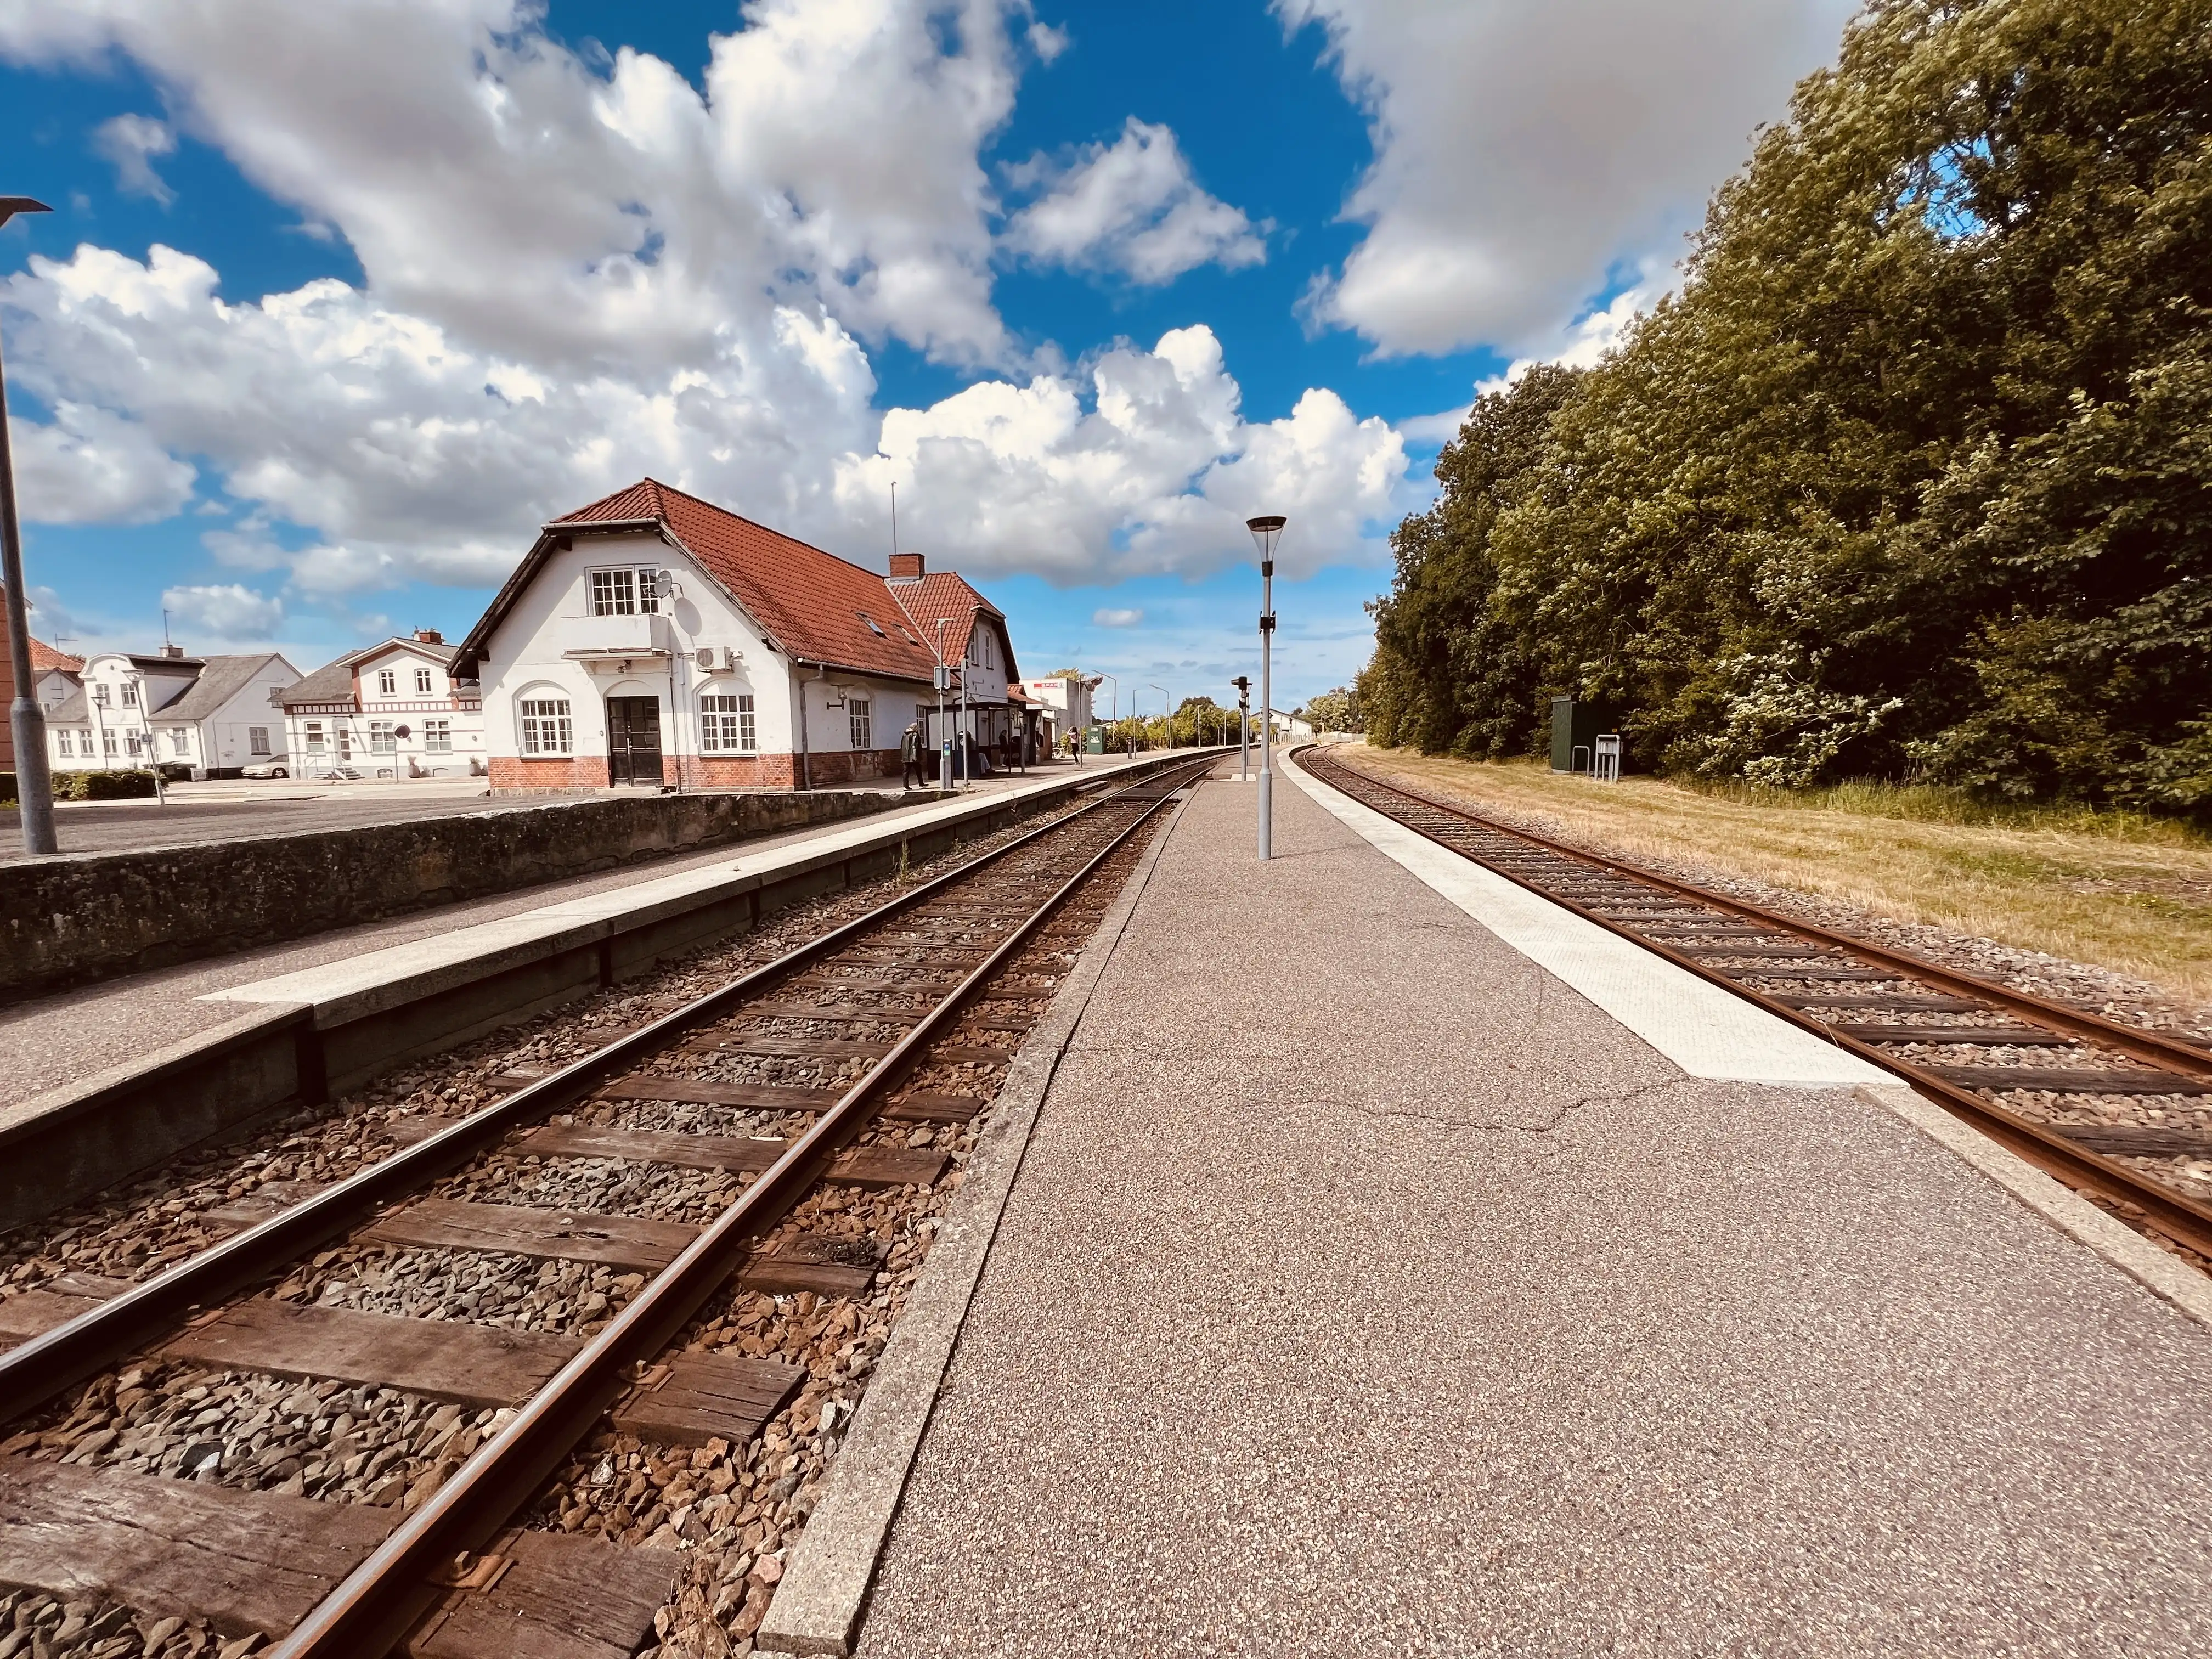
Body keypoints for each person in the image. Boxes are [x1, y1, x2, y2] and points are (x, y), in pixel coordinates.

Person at [900, 719, 925, 789]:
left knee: (906, 772)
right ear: (915, 728)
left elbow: (902, 745)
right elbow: (915, 746)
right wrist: (916, 756)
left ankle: (905, 786)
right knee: (918, 770)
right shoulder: (915, 735)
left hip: (905, 757)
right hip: (913, 757)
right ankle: (921, 784)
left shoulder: (904, 735)